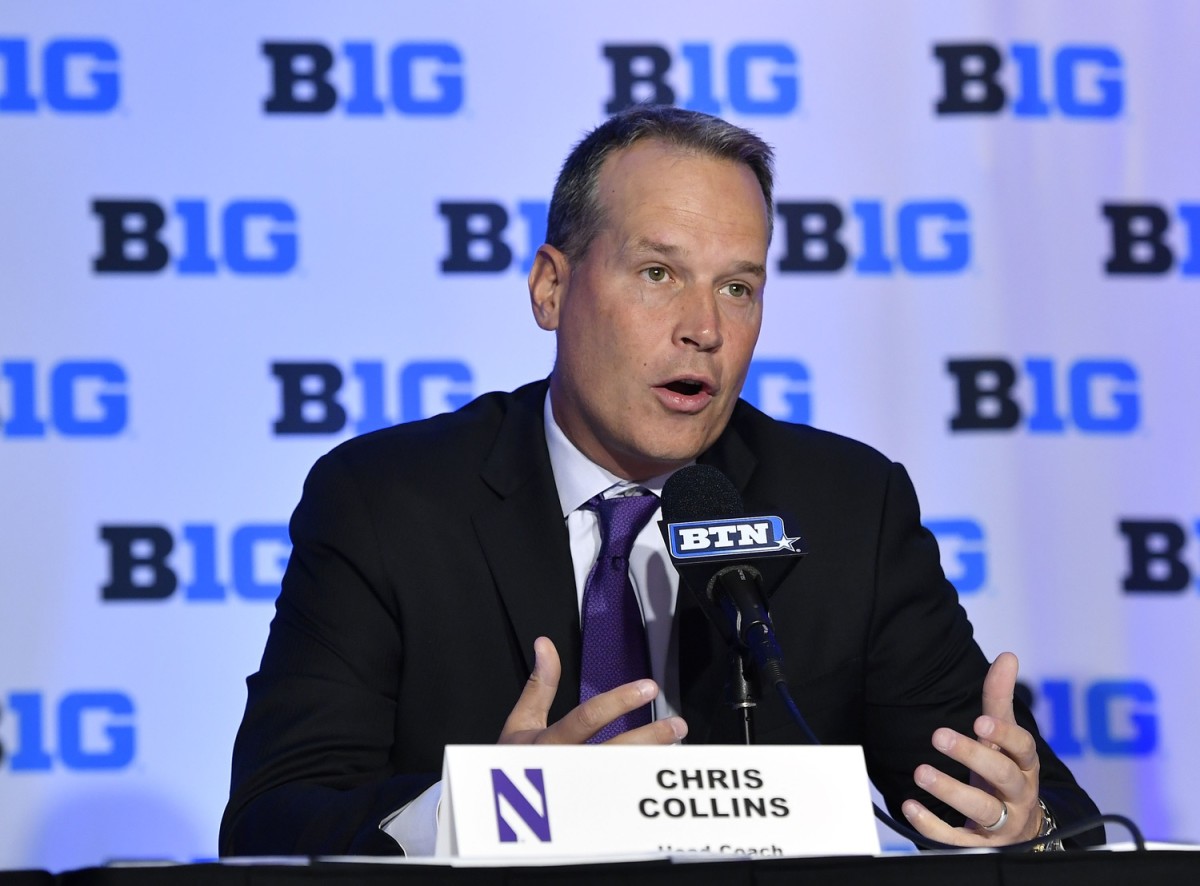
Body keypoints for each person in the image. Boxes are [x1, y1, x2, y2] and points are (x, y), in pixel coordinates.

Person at [219, 105, 1102, 856]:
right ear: (551, 289)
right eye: (657, 273)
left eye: (738, 288)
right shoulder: (388, 502)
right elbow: (272, 820)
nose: (703, 329)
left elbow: (1041, 814)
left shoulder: (843, 506)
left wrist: (1020, 820)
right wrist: (489, 808)